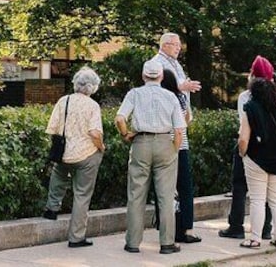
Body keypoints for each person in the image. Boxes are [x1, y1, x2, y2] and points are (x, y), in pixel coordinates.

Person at [116, 60, 187, 255]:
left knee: (136, 195)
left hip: (141, 142)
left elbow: (120, 118)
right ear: (162, 76)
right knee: (166, 196)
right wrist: (173, 150)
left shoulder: (134, 94)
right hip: (165, 142)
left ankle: (132, 242)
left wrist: (125, 135)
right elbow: (180, 130)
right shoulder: (171, 96)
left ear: (143, 75)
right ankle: (166, 243)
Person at [43, 67, 106, 247]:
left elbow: (53, 128)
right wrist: (101, 147)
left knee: (58, 173)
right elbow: (94, 133)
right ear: (92, 87)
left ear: (76, 84)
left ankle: (52, 208)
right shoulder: (92, 105)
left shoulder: (64, 100)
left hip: (64, 153)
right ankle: (76, 237)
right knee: (82, 194)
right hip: (86, 154)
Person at [237, 56, 276, 251]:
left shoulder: (249, 107)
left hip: (256, 158)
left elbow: (244, 138)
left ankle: (254, 238)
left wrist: (242, 153)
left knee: (258, 199)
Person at [153, 32, 202, 244]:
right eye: (174, 45)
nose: (178, 48)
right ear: (164, 45)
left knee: (181, 184)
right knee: (171, 185)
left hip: (178, 135)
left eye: (179, 45)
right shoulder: (156, 63)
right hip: (170, 136)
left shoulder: (175, 64)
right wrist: (182, 87)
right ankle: (173, 229)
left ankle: (184, 227)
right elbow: (162, 88)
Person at [218, 56, 274, 240]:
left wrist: (241, 150)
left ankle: (236, 225)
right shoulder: (275, 97)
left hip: (248, 143)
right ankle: (266, 227)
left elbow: (244, 124)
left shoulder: (245, 97)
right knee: (266, 189)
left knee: (240, 186)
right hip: (268, 145)